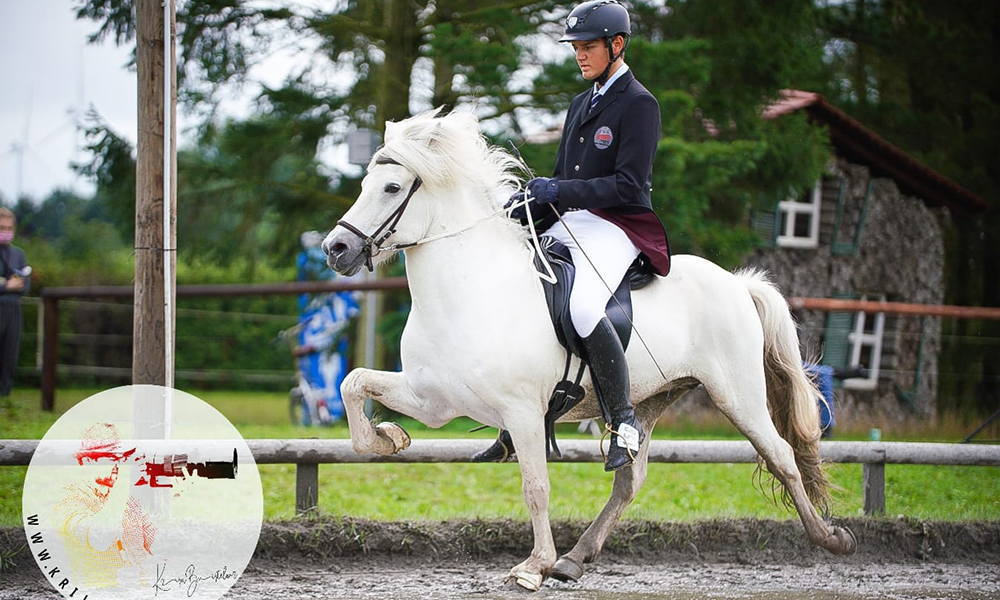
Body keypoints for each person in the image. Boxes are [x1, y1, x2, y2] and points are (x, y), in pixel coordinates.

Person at [478, 0, 671, 471]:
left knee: (583, 305)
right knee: (519, 283)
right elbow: (564, 178)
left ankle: (624, 423)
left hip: (617, 224)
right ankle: (522, 423)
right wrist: (525, 207)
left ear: (616, 44)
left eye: (588, 47)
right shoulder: (581, 102)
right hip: (572, 219)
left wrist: (560, 188)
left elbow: (628, 185)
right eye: (576, 47)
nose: (580, 55)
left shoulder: (640, 104)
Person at [0, 207, 29, 399]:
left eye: (9, 228)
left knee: (9, 356)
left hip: (14, 308)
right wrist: (6, 285)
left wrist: (17, 284)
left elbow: (25, 285)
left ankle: (4, 396)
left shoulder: (18, 254)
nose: (6, 231)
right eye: (2, 227)